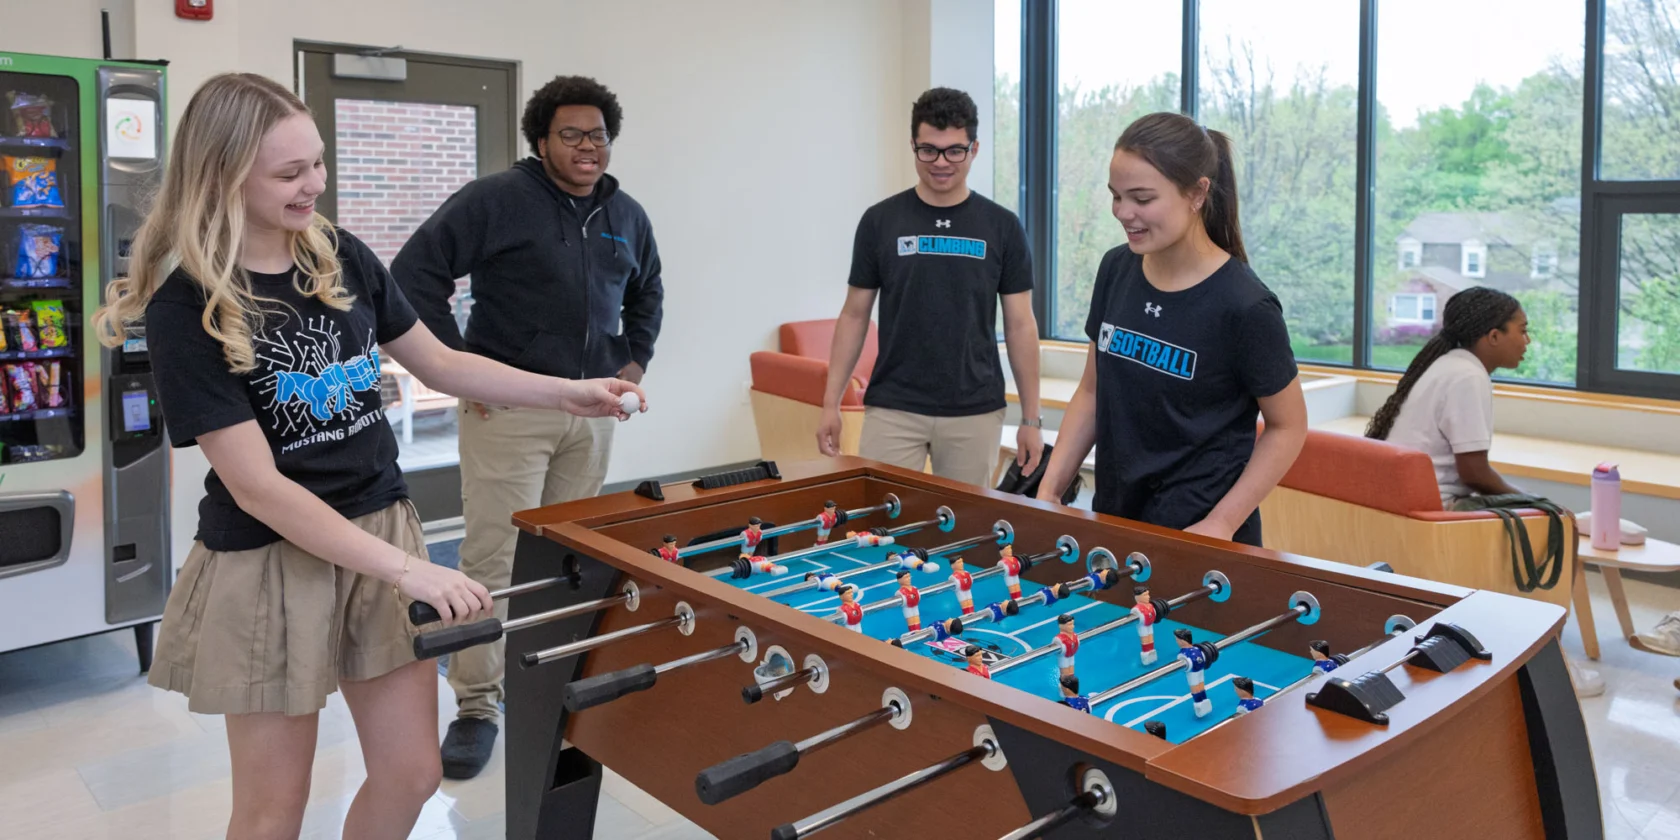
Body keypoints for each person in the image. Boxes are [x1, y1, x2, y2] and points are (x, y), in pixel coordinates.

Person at [91, 73, 645, 840]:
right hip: (271, 561)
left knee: (413, 773)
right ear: (221, 176)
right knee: (271, 808)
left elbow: (442, 364)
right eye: (289, 174)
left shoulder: (339, 255)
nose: (314, 184)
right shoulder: (188, 307)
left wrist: (565, 392)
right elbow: (256, 487)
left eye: (316, 163)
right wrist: (411, 571)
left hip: (380, 529)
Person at [389, 74, 664, 779]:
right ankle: (477, 705)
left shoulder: (624, 214)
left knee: (571, 555)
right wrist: (459, 367)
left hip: (593, 414)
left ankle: (551, 682)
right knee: (492, 562)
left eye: (598, 135)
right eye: (570, 134)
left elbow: (647, 293)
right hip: (508, 411)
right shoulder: (497, 200)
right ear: (540, 141)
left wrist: (630, 367)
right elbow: (417, 274)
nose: (587, 147)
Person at [1035, 112, 1308, 547]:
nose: (1124, 213)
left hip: (1200, 534)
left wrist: (1222, 522)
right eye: (1116, 196)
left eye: (1142, 198)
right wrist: (1049, 490)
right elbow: (1092, 392)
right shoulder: (1115, 268)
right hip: (1118, 518)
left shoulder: (1246, 305)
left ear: (1198, 192)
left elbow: (1288, 427)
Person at [816, 87, 1044, 487]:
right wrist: (830, 403)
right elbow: (854, 314)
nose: (941, 162)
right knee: (880, 526)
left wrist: (1031, 418)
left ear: (974, 149)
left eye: (954, 150)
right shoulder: (880, 221)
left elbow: (1021, 325)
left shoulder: (1002, 227)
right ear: (913, 146)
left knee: (963, 535)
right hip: (894, 408)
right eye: (929, 150)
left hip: (974, 410)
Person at [1364, 287, 1529, 509]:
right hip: (1432, 507)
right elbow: (1475, 474)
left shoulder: (1447, 364)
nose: (1527, 340)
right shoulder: (1468, 376)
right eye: (1522, 330)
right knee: (1553, 518)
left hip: (1400, 499)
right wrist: (1534, 501)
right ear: (1494, 336)